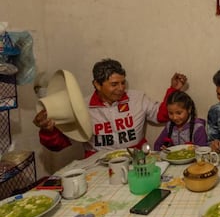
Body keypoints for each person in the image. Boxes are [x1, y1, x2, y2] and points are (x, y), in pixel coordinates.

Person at [33, 58, 187, 157]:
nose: (120, 88)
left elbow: (162, 115)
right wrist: (48, 130)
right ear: (97, 84)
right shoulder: (81, 107)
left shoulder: (137, 98)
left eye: (122, 83)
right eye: (114, 84)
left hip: (137, 160)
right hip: (97, 166)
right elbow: (59, 144)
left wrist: (173, 90)